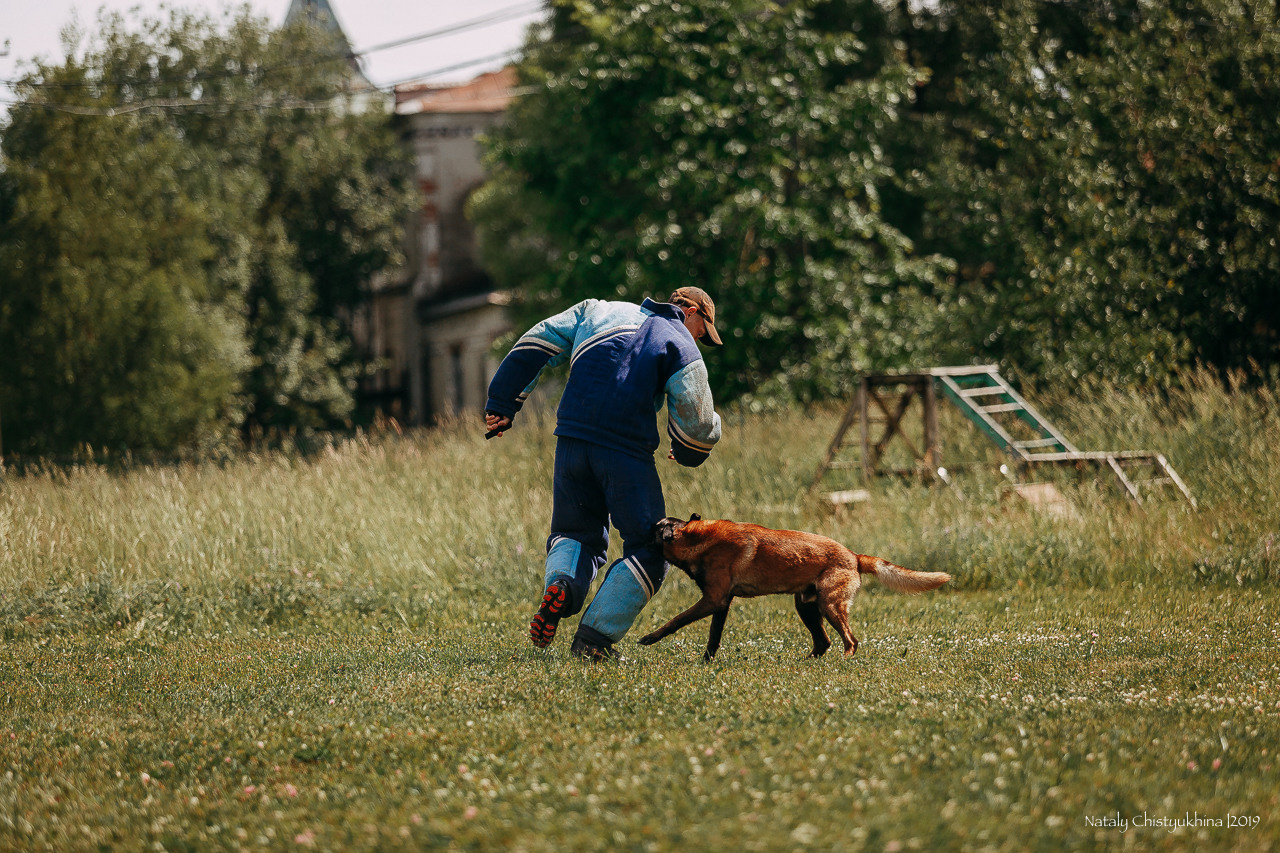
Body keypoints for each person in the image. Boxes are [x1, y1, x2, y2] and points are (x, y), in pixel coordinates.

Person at [484, 287, 723, 661]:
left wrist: (503, 403)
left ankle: (562, 585)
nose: (699, 339)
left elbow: (536, 340)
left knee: (574, 532)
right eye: (702, 331)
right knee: (652, 547)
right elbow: (698, 426)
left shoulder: (597, 309)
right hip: (625, 452)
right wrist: (689, 450)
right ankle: (592, 641)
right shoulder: (681, 343)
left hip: (572, 441)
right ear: (691, 312)